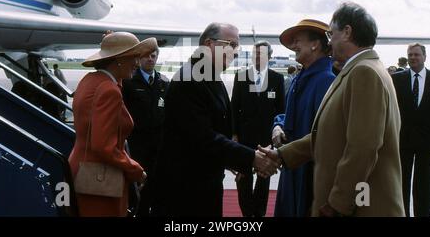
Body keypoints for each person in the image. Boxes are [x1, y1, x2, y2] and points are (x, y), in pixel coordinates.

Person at [263, 2, 405, 216]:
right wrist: (282, 155)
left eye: (331, 34)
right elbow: (329, 135)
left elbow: (363, 148)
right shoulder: (360, 70)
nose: (329, 42)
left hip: (361, 207)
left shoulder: (364, 73)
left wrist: (338, 203)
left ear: (347, 32)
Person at [152, 22, 279, 217]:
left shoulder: (208, 76)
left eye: (237, 46)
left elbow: (218, 129)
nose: (236, 52)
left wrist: (234, 160)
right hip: (186, 190)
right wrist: (250, 158)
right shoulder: (190, 80)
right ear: (209, 44)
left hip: (204, 182)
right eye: (231, 44)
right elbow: (202, 138)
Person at [68, 32, 157, 217]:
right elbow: (103, 147)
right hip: (99, 178)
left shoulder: (90, 80)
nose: (137, 63)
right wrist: (136, 170)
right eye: (134, 57)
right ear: (119, 60)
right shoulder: (109, 90)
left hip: (84, 169)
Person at [271, 19, 335, 217]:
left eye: (298, 41)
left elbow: (325, 136)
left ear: (315, 45)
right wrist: (278, 125)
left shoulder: (326, 80)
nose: (293, 46)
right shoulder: (302, 77)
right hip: (293, 167)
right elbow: (291, 115)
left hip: (308, 175)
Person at [231, 40, 285, 217]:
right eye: (255, 53)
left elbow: (281, 110)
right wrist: (234, 134)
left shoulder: (277, 79)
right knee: (243, 180)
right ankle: (248, 215)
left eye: (261, 54)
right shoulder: (241, 77)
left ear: (269, 57)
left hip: (266, 141)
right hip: (244, 139)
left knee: (263, 180)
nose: (257, 56)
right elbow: (234, 108)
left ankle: (259, 215)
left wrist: (275, 141)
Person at [392, 43, 430, 217]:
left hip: (427, 141)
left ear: (425, 57)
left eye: (416, 55)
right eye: (410, 55)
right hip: (403, 139)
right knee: (402, 181)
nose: (413, 58)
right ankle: (401, 213)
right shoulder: (396, 79)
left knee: (424, 182)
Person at [122, 48, 169, 217]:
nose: (150, 59)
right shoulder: (129, 82)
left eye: (153, 56)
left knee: (156, 189)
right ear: (139, 58)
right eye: (146, 56)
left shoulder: (163, 82)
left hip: (158, 147)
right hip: (136, 145)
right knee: (135, 190)